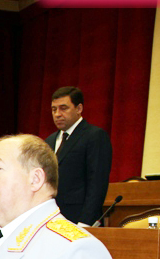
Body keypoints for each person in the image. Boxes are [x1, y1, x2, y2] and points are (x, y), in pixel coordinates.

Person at [44, 87, 112, 226]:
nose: (57, 114)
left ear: (79, 108)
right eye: (54, 109)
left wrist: (86, 221)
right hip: (51, 218)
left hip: (79, 219)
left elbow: (97, 183)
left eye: (64, 108)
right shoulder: (49, 141)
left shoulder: (94, 136)